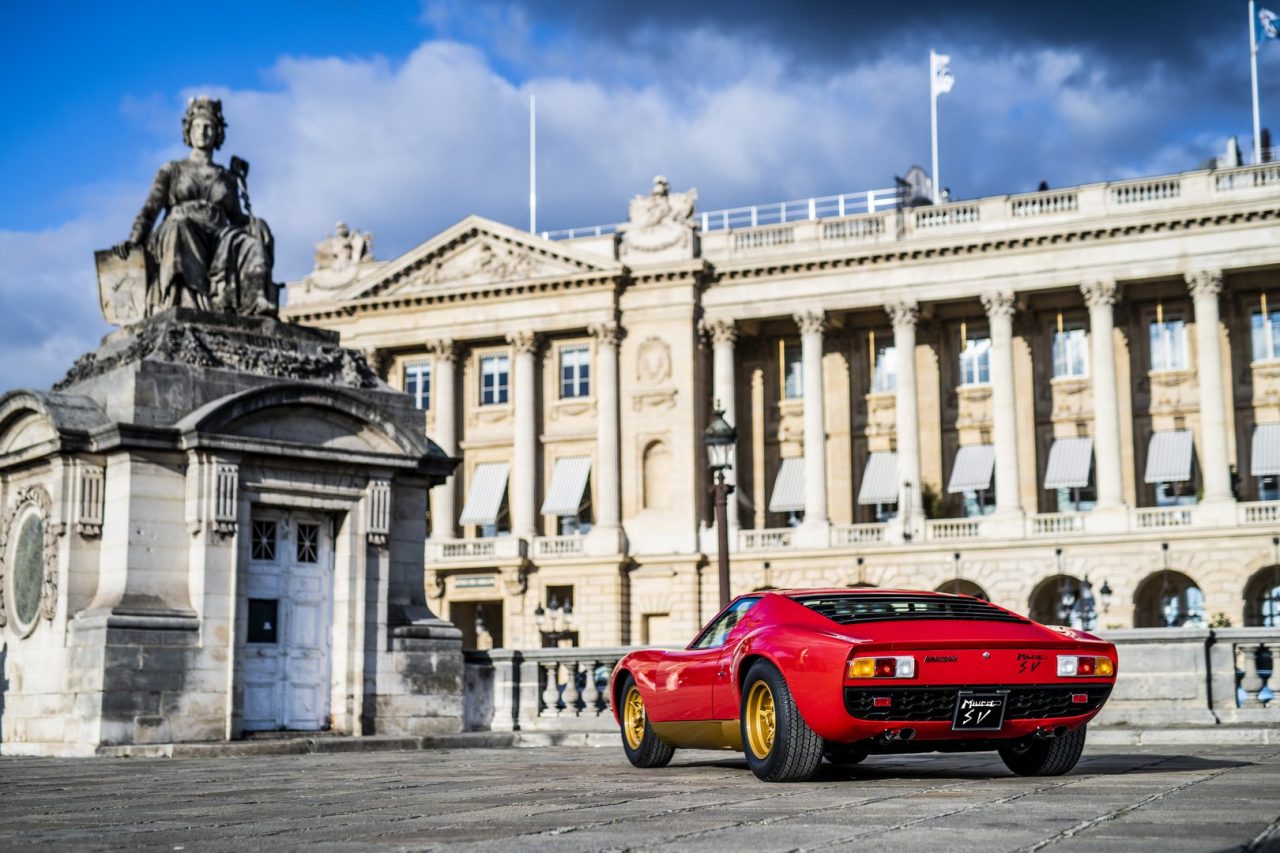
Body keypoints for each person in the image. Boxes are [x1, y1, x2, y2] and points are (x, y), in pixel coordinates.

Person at [114, 97, 276, 316]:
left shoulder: (226, 177)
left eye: (209, 127)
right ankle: (186, 302)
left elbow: (236, 217)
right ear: (188, 132)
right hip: (181, 230)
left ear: (218, 133)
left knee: (251, 241)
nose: (202, 132)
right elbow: (150, 210)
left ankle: (255, 302)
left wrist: (255, 223)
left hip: (218, 237)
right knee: (180, 226)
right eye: (197, 126)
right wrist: (134, 240)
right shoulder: (172, 169)